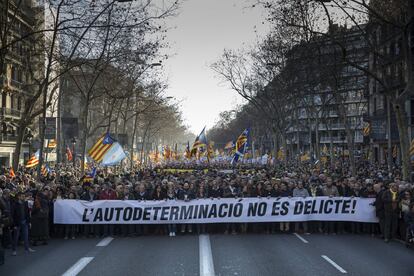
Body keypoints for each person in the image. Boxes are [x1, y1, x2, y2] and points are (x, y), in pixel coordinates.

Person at [11, 191, 35, 256]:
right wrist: (14, 225)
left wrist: (29, 222)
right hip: (17, 223)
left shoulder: (25, 203)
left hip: (25, 222)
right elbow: (12, 215)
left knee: (26, 236)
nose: (24, 197)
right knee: (16, 237)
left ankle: (27, 248)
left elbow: (27, 213)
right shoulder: (14, 204)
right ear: (19, 197)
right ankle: (14, 250)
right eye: (22, 196)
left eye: (24, 196)